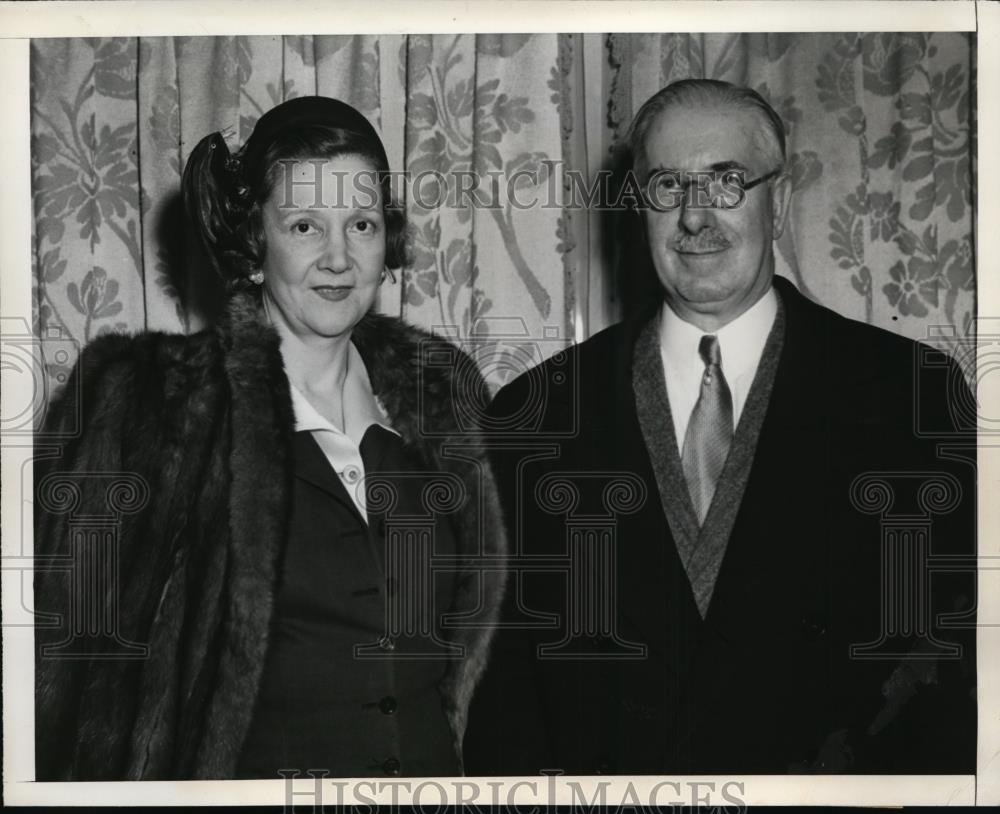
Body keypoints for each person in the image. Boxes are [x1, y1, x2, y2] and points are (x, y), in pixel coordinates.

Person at [463, 79, 976, 775]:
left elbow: (945, 671)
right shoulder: (537, 413)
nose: (695, 218)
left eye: (727, 182)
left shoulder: (908, 393)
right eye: (668, 186)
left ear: (782, 201)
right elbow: (507, 704)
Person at [34, 96, 506, 780]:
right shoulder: (149, 405)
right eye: (306, 225)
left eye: (362, 224)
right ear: (255, 245)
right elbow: (73, 683)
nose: (339, 257)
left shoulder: (448, 402)